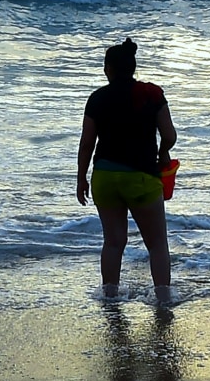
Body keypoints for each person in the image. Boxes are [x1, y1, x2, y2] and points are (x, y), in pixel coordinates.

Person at [76, 38, 177, 303]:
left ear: (107, 69)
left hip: (105, 177)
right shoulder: (152, 94)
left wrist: (80, 178)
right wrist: (163, 151)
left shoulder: (97, 98)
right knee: (156, 244)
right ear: (133, 67)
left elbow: (87, 144)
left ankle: (110, 296)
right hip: (142, 177)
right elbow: (169, 134)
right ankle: (163, 299)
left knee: (113, 241)